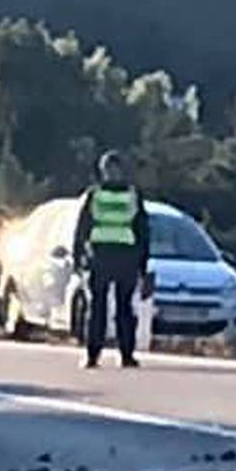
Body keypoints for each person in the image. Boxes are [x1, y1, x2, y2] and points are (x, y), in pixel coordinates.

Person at [70, 149, 152, 368]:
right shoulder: (132, 195)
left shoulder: (95, 195)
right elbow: (143, 232)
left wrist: (78, 257)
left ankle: (96, 355)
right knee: (119, 309)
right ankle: (123, 355)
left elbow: (82, 228)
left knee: (101, 308)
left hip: (105, 256)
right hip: (120, 257)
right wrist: (143, 266)